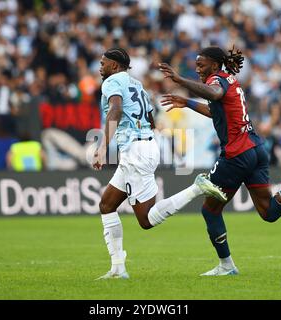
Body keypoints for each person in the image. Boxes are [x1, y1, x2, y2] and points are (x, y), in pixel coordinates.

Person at [159, 46, 281, 276]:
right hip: (256, 149)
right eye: (196, 66)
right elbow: (216, 110)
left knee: (210, 211)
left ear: (214, 65)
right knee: (269, 212)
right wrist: (188, 103)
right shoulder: (228, 80)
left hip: (237, 154)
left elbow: (214, 94)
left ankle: (226, 266)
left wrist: (179, 79)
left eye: (201, 65)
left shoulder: (216, 79)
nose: (198, 69)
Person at [92, 47, 227, 280]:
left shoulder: (112, 82)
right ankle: (117, 268)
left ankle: (196, 188)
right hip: (144, 146)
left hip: (136, 152)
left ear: (114, 66)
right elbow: (150, 116)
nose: (100, 67)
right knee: (106, 205)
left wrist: (103, 145)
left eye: (103, 63)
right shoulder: (136, 84)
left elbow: (115, 108)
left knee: (146, 220)